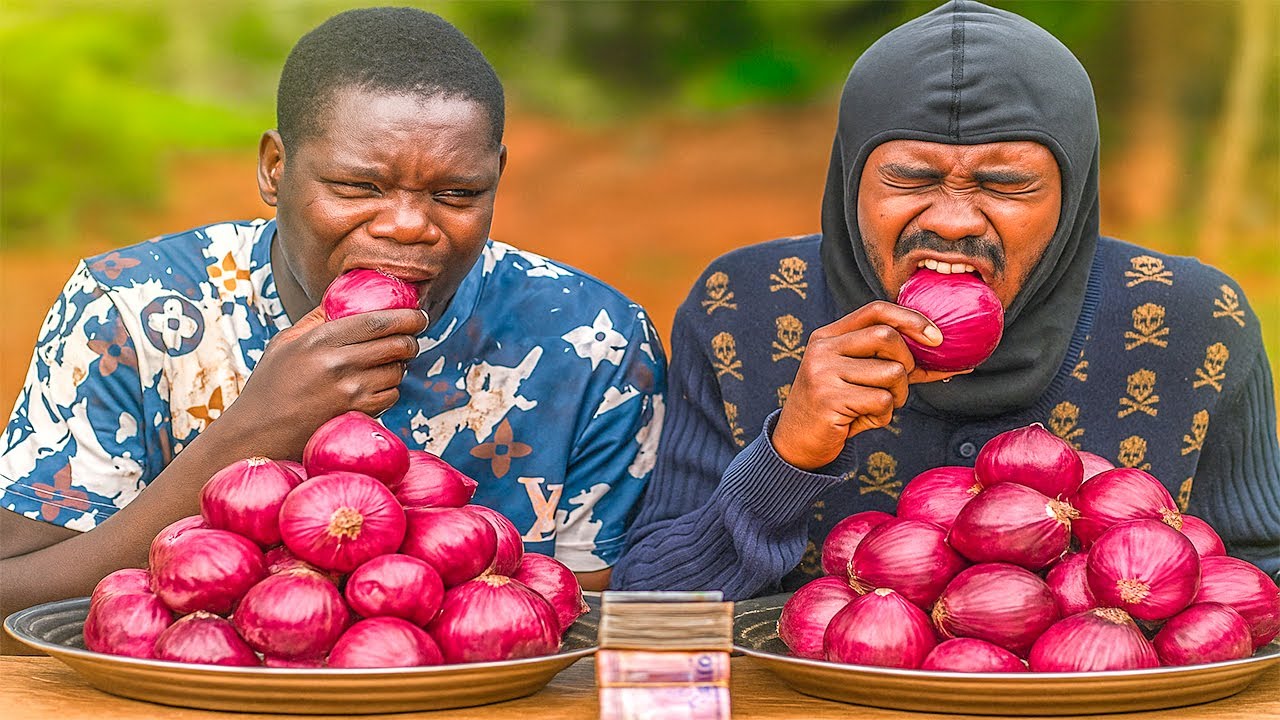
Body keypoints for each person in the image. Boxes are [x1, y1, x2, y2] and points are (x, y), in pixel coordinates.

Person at [0, 7, 666, 637]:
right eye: (358, 187)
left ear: (496, 175)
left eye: (457, 194)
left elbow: (575, 628)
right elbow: (13, 599)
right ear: (274, 168)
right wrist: (251, 435)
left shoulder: (590, 342)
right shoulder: (131, 311)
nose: (409, 225)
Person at [610, 0, 1279, 598]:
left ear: (1072, 197)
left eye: (1007, 183)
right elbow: (654, 602)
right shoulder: (744, 308)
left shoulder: (1192, 322)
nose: (955, 220)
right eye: (910, 177)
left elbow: (1261, 586)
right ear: (850, 183)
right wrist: (788, 456)